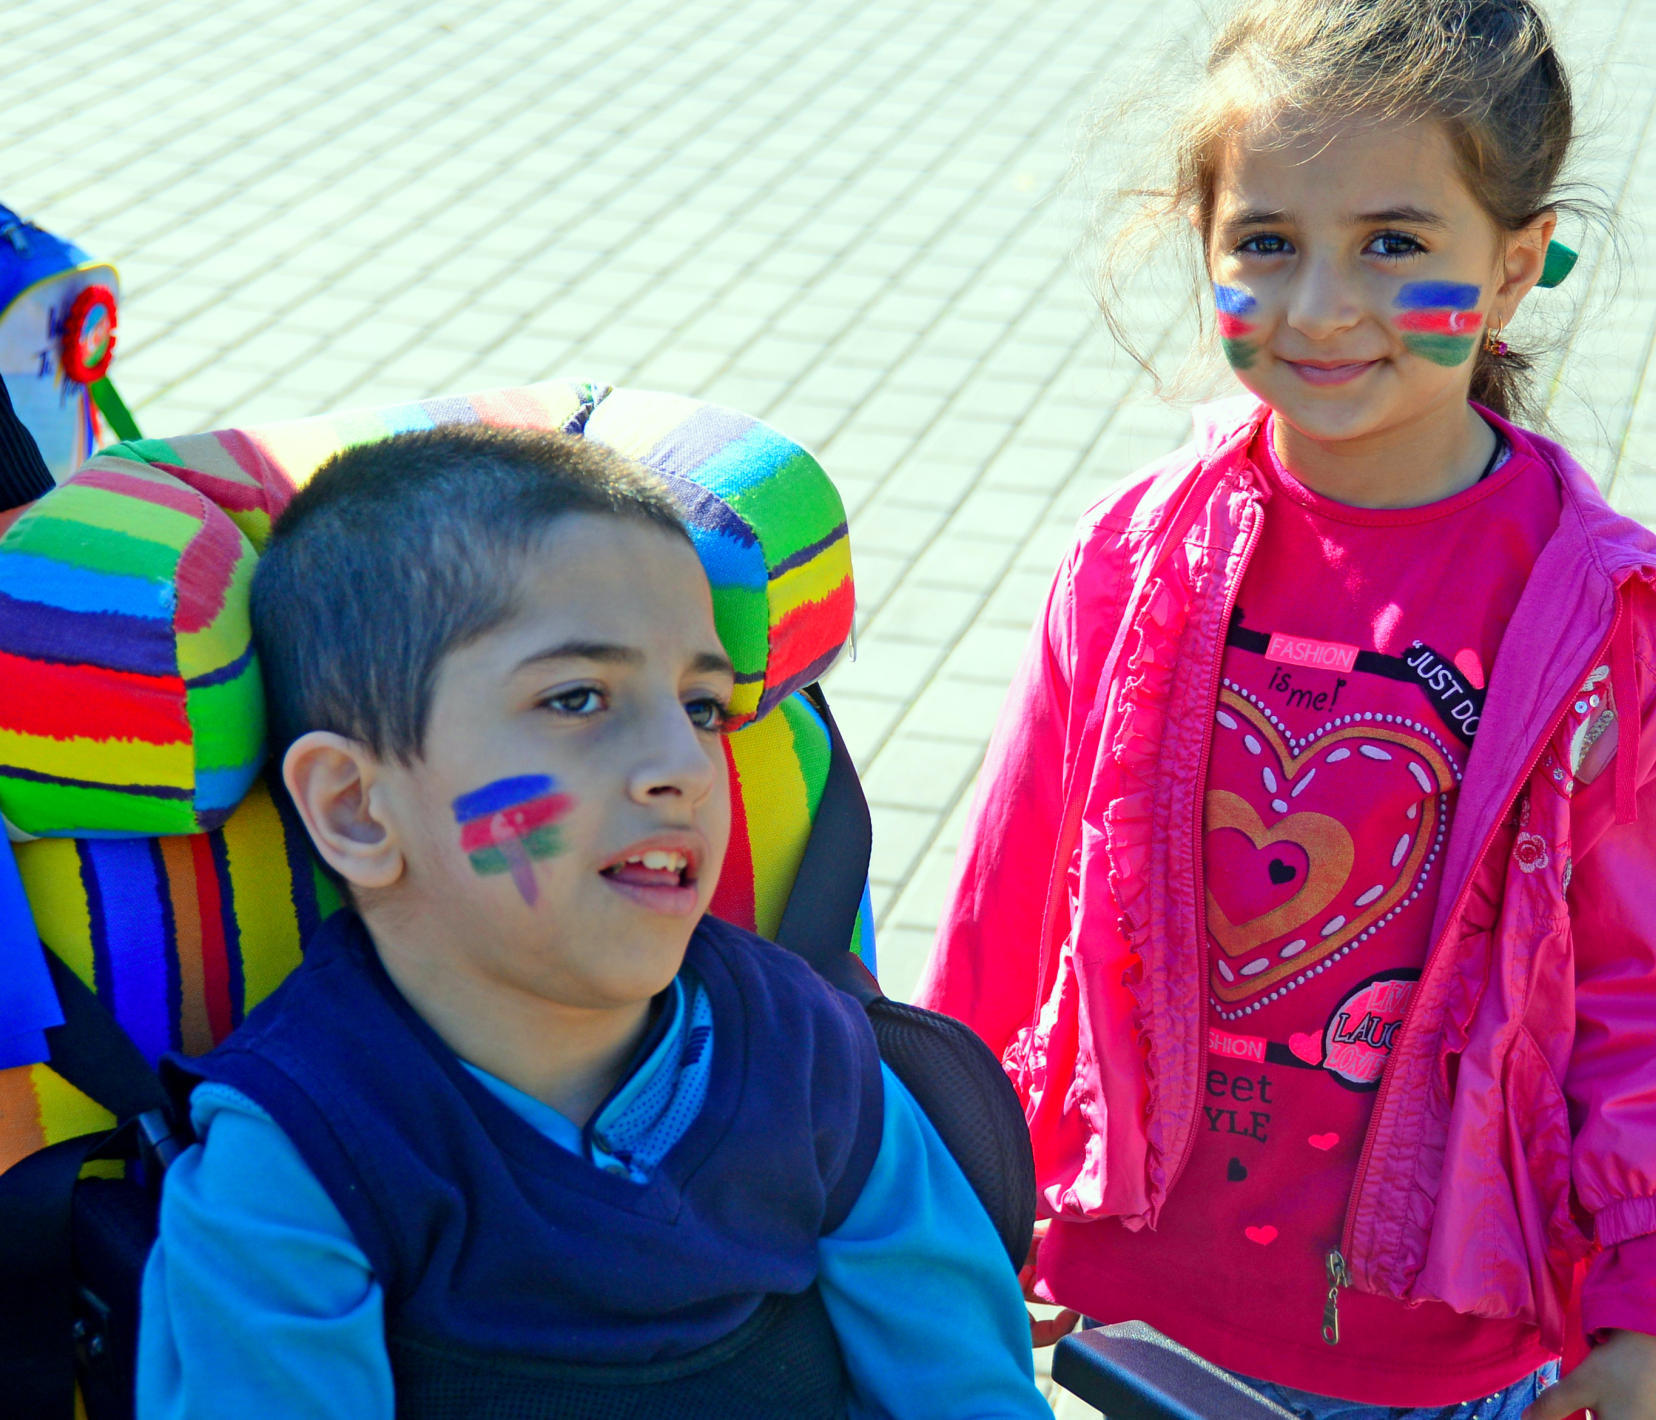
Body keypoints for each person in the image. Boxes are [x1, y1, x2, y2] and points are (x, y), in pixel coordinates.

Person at [916, 3, 1656, 1418]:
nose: (1320, 306)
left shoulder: (1620, 635)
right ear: (1201, 246)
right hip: (1123, 1319)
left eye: (1394, 244)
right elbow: (1010, 906)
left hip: (1447, 1357)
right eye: (1267, 242)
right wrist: (941, 1192)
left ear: (1511, 270)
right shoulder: (1132, 563)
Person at [137, 426, 1049, 1420]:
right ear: (358, 807)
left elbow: (970, 1393)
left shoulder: (811, 1056)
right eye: (577, 697)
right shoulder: (294, 1173)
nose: (688, 765)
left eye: (701, 706)